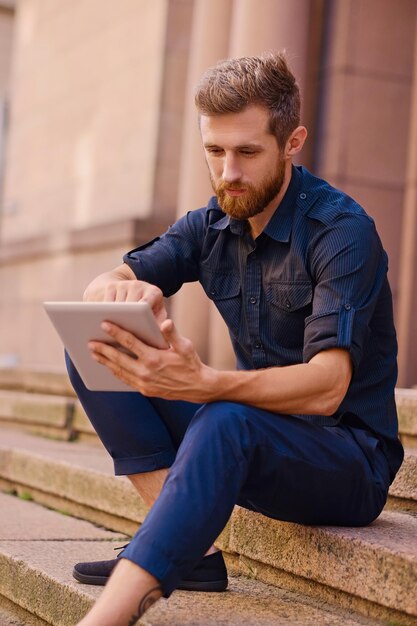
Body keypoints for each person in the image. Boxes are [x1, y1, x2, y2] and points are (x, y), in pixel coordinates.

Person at [67, 53, 404, 625]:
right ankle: (192, 553)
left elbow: (328, 387)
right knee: (95, 340)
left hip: (347, 462)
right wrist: (113, 288)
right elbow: (124, 275)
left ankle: (109, 617)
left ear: (292, 142)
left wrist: (205, 384)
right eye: (214, 152)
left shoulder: (342, 232)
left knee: (228, 417)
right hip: (252, 440)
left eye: (247, 152)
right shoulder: (211, 223)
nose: (228, 173)